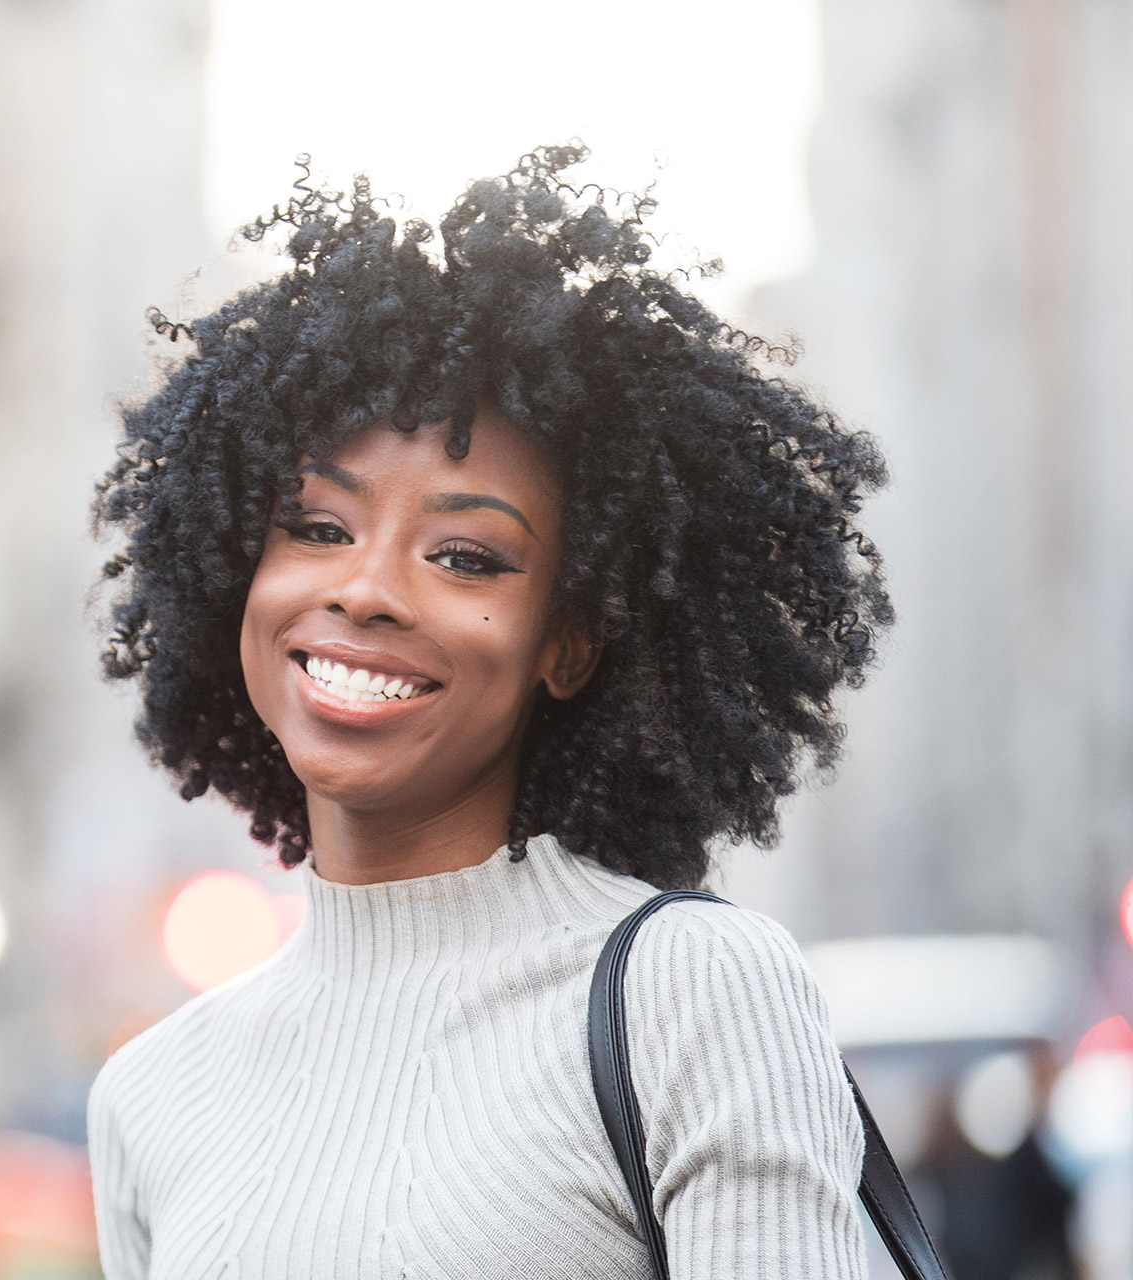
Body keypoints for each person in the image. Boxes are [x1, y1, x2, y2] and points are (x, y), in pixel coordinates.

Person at [86, 146, 893, 1278]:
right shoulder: (150, 1094)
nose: (363, 587)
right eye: (317, 527)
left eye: (465, 556)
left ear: (567, 643)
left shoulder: (690, 988)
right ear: (230, 573)